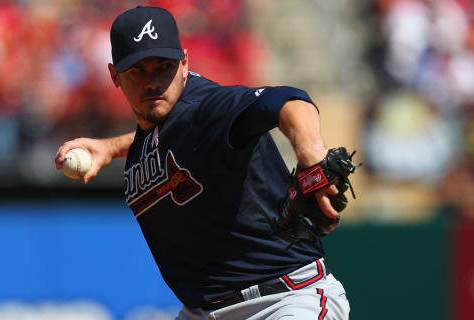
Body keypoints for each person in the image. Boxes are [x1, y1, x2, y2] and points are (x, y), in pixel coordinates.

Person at [55, 6, 350, 320]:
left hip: (283, 302)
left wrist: (310, 156)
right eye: (137, 71)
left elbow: (289, 101)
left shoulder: (210, 107)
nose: (153, 81)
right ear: (115, 75)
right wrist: (110, 146)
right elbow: (173, 138)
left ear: (184, 63)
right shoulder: (162, 130)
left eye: (164, 67)